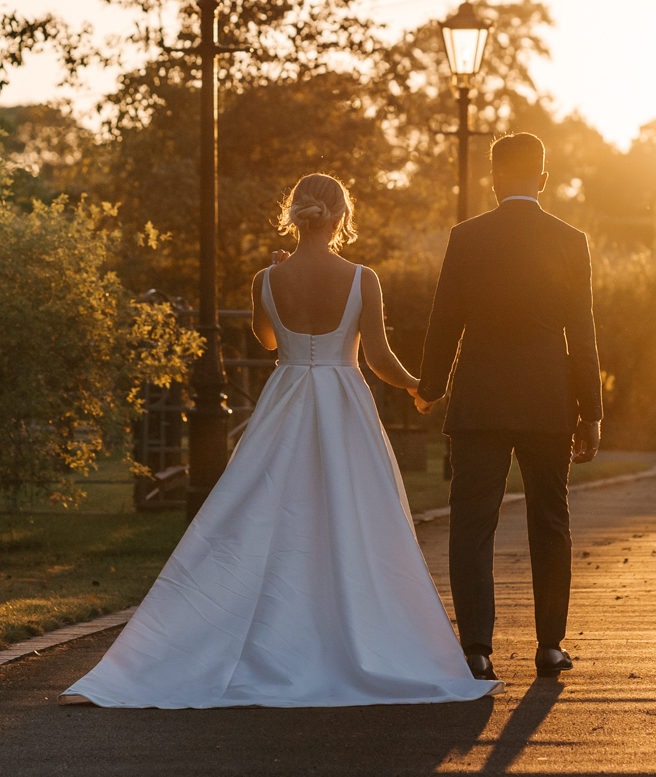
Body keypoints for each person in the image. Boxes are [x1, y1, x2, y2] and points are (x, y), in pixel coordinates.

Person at [64, 173, 497, 708]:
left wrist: (275, 280)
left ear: (296, 216)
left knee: (272, 508)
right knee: (354, 515)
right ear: (340, 218)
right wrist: (417, 387)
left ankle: (258, 632)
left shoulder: (266, 279)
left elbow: (268, 341)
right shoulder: (363, 278)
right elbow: (378, 357)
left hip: (286, 398)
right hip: (343, 402)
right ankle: (353, 629)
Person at [417, 132, 602, 682]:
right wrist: (591, 410)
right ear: (543, 179)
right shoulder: (570, 240)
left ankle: (476, 649)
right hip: (548, 401)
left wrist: (430, 387)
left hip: (480, 400)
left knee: (472, 525)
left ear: (493, 178)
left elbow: (444, 320)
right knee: (551, 520)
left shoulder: (467, 237)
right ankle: (549, 646)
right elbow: (583, 334)